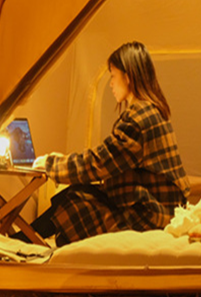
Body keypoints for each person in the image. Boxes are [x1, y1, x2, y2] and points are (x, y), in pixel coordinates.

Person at [26, 41, 189, 246]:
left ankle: (25, 240)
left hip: (152, 216)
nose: (111, 83)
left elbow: (100, 163)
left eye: (113, 76)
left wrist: (51, 165)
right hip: (163, 209)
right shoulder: (153, 110)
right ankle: (27, 238)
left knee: (75, 200)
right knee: (77, 192)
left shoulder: (139, 119)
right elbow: (108, 157)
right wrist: (63, 161)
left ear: (127, 77)